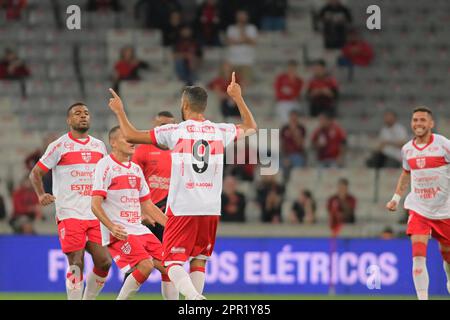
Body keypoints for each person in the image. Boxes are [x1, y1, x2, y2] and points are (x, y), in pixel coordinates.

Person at [106, 71, 257, 300]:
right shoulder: (220, 130)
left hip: (183, 207)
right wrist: (237, 97)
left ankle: (195, 299)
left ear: (185, 105)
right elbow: (251, 126)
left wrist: (119, 111)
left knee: (172, 261)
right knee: (199, 260)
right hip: (210, 208)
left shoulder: (176, 131)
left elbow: (129, 134)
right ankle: (194, 302)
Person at [29, 102, 112, 300]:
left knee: (104, 262)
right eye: (77, 113)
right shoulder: (59, 145)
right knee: (76, 261)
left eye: (86, 113)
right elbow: (35, 173)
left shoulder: (99, 146)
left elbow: (107, 177)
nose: (83, 116)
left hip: (94, 214)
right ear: (69, 120)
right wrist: (41, 195)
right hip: (69, 213)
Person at [91, 126, 178, 300]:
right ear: (113, 143)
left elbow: (149, 206)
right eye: (126, 138)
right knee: (145, 266)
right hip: (119, 232)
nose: (132, 142)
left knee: (170, 267)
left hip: (138, 229)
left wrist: (174, 227)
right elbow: (95, 204)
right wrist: (111, 227)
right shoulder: (105, 165)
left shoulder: (136, 169)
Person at [386, 106, 450, 300]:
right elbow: (406, 173)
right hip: (419, 209)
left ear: (431, 123)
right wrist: (396, 198)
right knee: (418, 254)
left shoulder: (444, 145)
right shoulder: (407, 149)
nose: (418, 124)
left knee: (447, 259)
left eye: (422, 120)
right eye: (415, 120)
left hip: (445, 210)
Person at [131, 111, 176, 242]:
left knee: (166, 257)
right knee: (145, 258)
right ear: (154, 126)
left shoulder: (181, 150)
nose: (166, 129)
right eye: (162, 125)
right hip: (147, 212)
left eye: (169, 126)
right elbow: (133, 182)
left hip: (170, 213)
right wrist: (140, 211)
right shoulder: (143, 150)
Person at [225, 10, 258, 85]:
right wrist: (245, 40)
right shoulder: (231, 28)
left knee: (245, 84)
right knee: (230, 84)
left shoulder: (252, 28)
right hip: (233, 61)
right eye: (240, 16)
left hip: (247, 62)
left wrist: (242, 32)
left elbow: (253, 42)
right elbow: (229, 42)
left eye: (243, 16)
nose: (241, 18)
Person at [281, 111, 307, 177]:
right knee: (278, 165)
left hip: (298, 154)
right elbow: (282, 144)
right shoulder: (284, 128)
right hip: (286, 155)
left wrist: (295, 134)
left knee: (298, 164)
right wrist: (285, 156)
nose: (293, 119)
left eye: (295, 118)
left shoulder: (301, 128)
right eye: (292, 117)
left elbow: (300, 145)